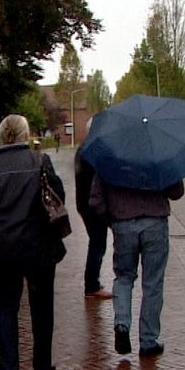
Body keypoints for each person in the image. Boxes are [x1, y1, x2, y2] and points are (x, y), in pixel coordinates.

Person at [0, 114, 65, 370]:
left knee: (5, 309)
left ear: (0, 136)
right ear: (25, 135)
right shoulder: (40, 162)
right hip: (38, 247)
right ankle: (42, 363)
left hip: (1, 250)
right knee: (42, 305)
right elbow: (58, 196)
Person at [89, 170, 184, 358]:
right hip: (155, 221)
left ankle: (122, 324)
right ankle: (148, 341)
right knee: (153, 283)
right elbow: (176, 192)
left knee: (123, 277)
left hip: (122, 222)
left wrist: (112, 219)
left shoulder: (110, 155)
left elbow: (95, 201)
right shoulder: (158, 152)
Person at [74, 118, 113, 300]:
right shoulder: (92, 151)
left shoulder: (83, 148)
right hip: (92, 205)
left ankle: (92, 281)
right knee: (98, 243)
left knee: (96, 242)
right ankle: (91, 285)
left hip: (84, 203)